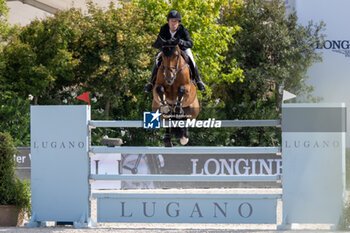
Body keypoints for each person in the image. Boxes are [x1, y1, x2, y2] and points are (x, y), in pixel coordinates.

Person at [144, 10, 206, 93]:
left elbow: (190, 43)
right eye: (171, 21)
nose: (173, 24)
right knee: (157, 59)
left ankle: (199, 81)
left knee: (191, 59)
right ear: (168, 22)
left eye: (175, 21)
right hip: (167, 50)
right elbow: (156, 44)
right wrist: (163, 43)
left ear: (178, 22)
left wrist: (182, 42)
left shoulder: (183, 29)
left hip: (182, 49)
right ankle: (151, 82)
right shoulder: (164, 28)